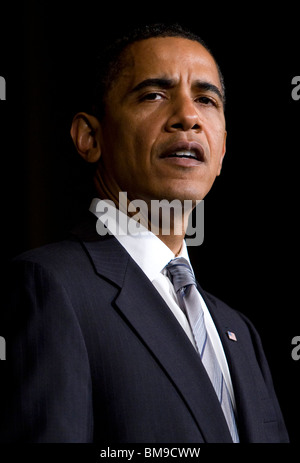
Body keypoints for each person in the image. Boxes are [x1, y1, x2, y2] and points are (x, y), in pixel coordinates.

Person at [0, 23, 289, 443]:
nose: (188, 117)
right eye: (154, 95)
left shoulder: (239, 331)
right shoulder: (48, 287)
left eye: (206, 99)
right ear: (90, 137)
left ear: (223, 149)